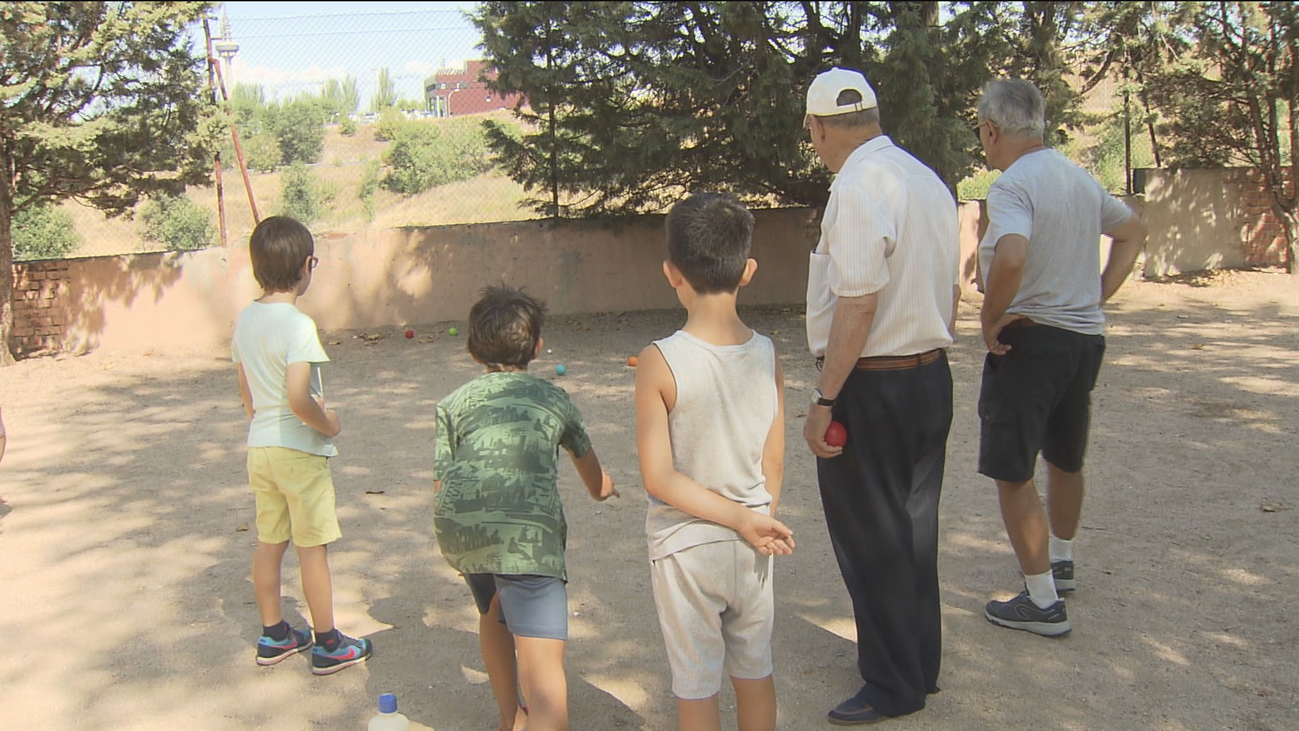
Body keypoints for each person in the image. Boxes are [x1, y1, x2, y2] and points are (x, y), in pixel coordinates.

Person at [801, 67, 961, 725]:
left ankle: (892, 682)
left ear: (818, 127)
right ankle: (917, 662)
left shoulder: (858, 186)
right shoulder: (925, 179)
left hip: (873, 381)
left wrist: (825, 399)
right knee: (913, 526)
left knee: (870, 534)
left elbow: (858, 302)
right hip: (929, 375)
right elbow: (950, 288)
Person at [975, 78, 1148, 636]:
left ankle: (1042, 600)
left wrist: (990, 317)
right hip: (1082, 340)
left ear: (992, 130)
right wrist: (1098, 294)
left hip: (1031, 340)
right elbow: (1134, 230)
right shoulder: (1079, 179)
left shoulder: (1012, 186)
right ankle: (1062, 560)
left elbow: (1011, 256)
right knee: (1066, 457)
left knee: (1012, 470)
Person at [635, 193, 792, 731]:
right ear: (747, 271)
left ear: (671, 272)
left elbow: (659, 477)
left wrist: (739, 519)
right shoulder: (768, 354)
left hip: (686, 549)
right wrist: (755, 518)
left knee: (697, 690)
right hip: (754, 542)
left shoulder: (658, 360)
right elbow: (774, 461)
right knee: (756, 675)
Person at [433, 285, 618, 731]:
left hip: (463, 530)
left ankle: (509, 718)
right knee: (546, 682)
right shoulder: (554, 399)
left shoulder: (453, 403)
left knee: (492, 606)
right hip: (526, 540)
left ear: (473, 352)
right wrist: (608, 488)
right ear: (537, 346)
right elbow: (595, 483)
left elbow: (442, 483)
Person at [231, 216, 373, 675]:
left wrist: (267, 426)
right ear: (307, 265)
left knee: (270, 541)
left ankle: (274, 635)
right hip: (298, 451)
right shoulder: (299, 325)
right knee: (312, 548)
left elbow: (248, 395)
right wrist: (328, 424)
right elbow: (298, 397)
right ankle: (328, 643)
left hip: (261, 447)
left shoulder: (245, 320)